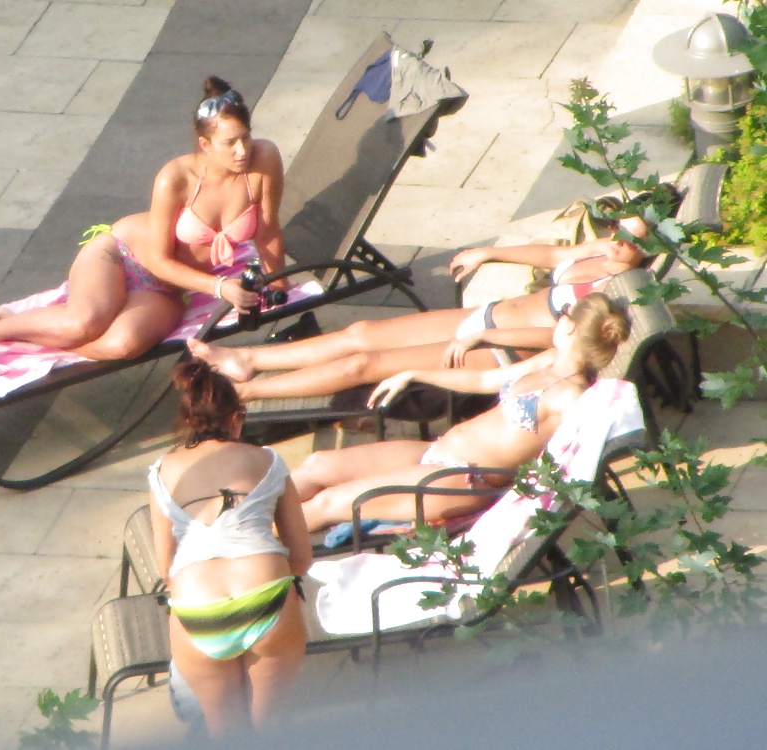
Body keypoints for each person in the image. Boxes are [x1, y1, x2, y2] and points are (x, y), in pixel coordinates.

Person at [0, 76, 287, 360]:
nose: (242, 151)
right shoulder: (175, 178)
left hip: (169, 286)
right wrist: (219, 287)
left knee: (120, 345)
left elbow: (267, 230)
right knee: (82, 323)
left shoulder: (264, 159)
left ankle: (41, 340)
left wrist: (281, 284)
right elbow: (160, 258)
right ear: (205, 144)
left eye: (246, 138)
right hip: (122, 256)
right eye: (230, 143)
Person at [186, 215, 648, 401]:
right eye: (615, 231)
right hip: (488, 316)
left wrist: (485, 336)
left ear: (642, 254)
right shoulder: (602, 252)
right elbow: (551, 257)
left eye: (627, 242)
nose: (615, 242)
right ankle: (247, 360)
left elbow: (556, 339)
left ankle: (246, 394)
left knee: (364, 363)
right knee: (362, 331)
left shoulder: (608, 293)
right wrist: (488, 252)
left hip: (502, 348)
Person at [288, 293, 630, 532]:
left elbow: (569, 465)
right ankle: (242, 521)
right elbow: (483, 379)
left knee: (328, 503)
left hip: (459, 482)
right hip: (436, 452)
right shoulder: (551, 362)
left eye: (565, 314)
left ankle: (245, 553)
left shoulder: (571, 398)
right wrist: (414, 374)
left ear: (569, 327)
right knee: (319, 465)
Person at [149, 359, 312, 738]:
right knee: (270, 729)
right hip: (265, 593)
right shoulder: (269, 460)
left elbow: (165, 567)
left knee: (225, 735)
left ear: (187, 420)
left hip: (197, 608)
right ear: (238, 416)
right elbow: (302, 557)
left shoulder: (161, 470)